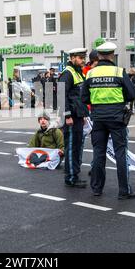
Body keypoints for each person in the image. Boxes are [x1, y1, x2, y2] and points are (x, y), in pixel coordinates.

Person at [82, 42, 135, 199]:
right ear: (112, 55)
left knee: (98, 153)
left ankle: (97, 189)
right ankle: (124, 191)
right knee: (120, 153)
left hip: (98, 118)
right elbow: (132, 94)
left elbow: (84, 97)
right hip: (117, 118)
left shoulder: (90, 74)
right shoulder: (119, 72)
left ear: (99, 56)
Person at [58, 48, 89, 188]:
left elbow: (78, 97)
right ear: (72, 58)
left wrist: (82, 115)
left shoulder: (77, 73)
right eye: (80, 58)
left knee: (76, 147)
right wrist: (67, 115)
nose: (83, 61)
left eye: (83, 58)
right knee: (71, 148)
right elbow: (61, 95)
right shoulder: (67, 73)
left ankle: (74, 174)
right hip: (71, 117)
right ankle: (70, 178)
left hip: (77, 116)